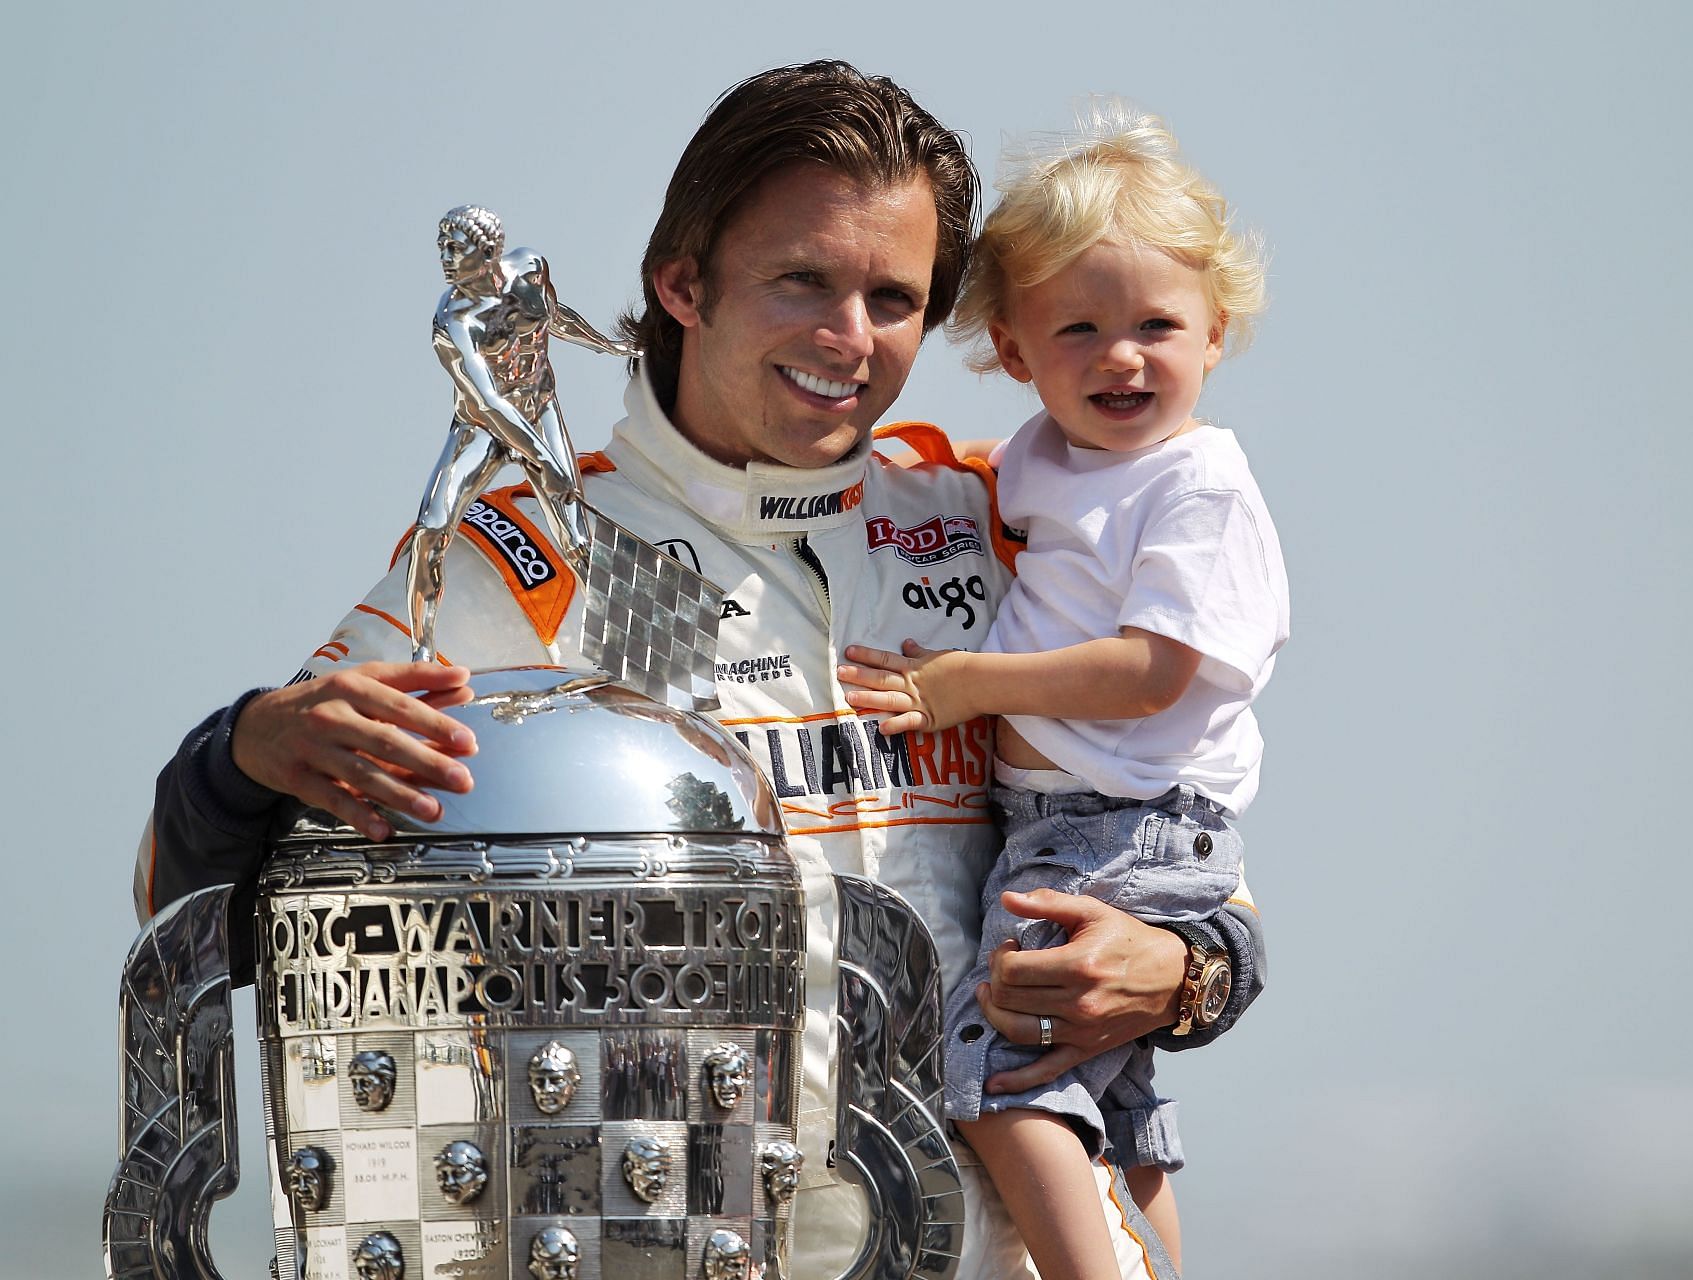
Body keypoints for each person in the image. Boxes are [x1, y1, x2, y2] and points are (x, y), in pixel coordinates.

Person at [136, 62, 1266, 1279]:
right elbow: (189, 906)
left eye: (893, 297)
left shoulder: (995, 513)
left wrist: (1192, 973)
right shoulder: (521, 553)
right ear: (683, 282)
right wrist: (241, 752)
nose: (850, 339)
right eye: (804, 282)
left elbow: (1177, 833)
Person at [840, 105, 1285, 1280]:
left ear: (1217, 329)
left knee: (995, 1076)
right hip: (1073, 814)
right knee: (1114, 1103)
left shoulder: (1198, 482)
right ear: (1014, 349)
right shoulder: (1030, 461)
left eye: (1157, 324)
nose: (1120, 355)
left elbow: (1156, 670)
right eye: (1077, 327)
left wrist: (966, 685)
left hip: (1119, 818)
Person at [407, 204, 635, 661]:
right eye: (442, 248)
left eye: (456, 248)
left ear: (488, 250)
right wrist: (541, 460)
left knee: (577, 538)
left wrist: (609, 346)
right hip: (483, 428)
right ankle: (422, 652)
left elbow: (556, 316)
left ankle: (624, 645)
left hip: (538, 406)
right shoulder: (453, 323)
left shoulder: (529, 268)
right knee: (430, 530)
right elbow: (489, 402)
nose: (445, 258)